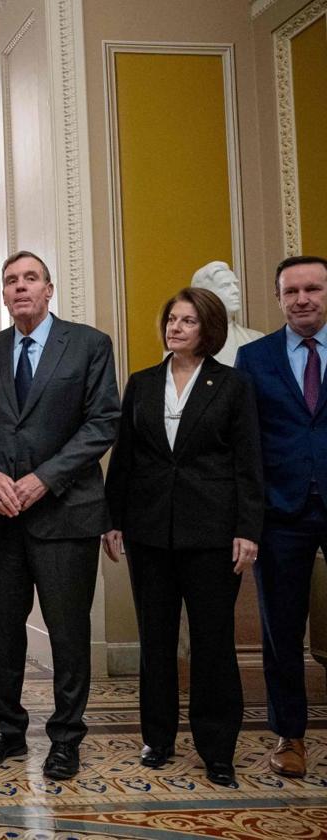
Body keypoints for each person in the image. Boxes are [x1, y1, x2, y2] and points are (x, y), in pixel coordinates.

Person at [0, 251, 119, 781]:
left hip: (66, 512)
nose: (20, 288)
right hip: (0, 515)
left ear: (49, 289)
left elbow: (102, 423)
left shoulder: (88, 344)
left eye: (30, 279)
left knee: (67, 631)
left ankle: (66, 738)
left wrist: (43, 478)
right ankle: (7, 730)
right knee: (0, 630)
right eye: (11, 281)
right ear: (4, 295)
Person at [104, 287, 262, 787]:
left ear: (207, 328)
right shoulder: (143, 383)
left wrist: (247, 530)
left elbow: (248, 463)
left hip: (213, 533)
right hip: (149, 531)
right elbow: (124, 459)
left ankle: (217, 749)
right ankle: (158, 737)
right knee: (156, 639)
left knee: (212, 644)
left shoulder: (232, 385)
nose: (176, 328)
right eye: (171, 319)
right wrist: (112, 519)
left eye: (188, 321)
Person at [235, 255, 327, 779]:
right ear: (278, 297)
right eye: (291, 291)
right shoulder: (256, 357)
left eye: (312, 289)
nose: (302, 299)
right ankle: (290, 736)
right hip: (281, 512)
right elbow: (247, 446)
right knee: (281, 632)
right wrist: (249, 518)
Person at [191, 261, 263, 365]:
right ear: (205, 294)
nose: (236, 290)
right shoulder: (184, 341)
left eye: (235, 284)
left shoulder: (256, 339)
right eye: (225, 285)